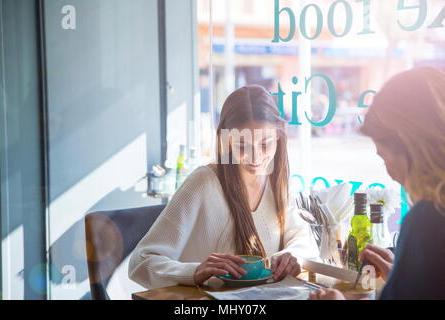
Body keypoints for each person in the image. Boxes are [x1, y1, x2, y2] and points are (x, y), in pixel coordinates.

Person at [129, 85, 317, 289]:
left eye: (265, 144)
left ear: (279, 137)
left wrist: (291, 255)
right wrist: (194, 271)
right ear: (226, 140)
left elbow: (300, 237)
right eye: (242, 145)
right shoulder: (204, 183)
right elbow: (141, 262)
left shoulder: (278, 181)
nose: (255, 157)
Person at [310, 67, 445, 300]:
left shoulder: (428, 219)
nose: (390, 174)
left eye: (384, 156)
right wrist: (403, 275)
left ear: (410, 147)